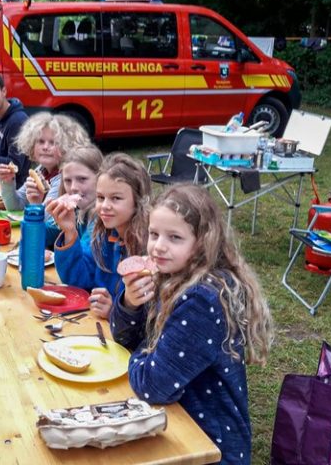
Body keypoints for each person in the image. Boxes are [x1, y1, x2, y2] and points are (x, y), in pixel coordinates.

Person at [111, 184, 273, 464]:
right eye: (154, 234)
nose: (159, 246)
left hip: (207, 446)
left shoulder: (202, 300)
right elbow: (122, 337)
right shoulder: (168, 274)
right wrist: (129, 304)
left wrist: (142, 354)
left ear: (202, 242)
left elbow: (154, 385)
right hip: (173, 421)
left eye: (174, 237)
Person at [52, 153, 151, 319]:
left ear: (138, 202)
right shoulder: (103, 236)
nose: (105, 206)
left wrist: (115, 311)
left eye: (116, 198)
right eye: (100, 197)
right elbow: (78, 280)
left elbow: (152, 317)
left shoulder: (149, 248)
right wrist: (70, 232)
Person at [0, 112, 90, 212]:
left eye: (53, 142)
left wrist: (35, 203)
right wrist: (7, 182)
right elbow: (15, 207)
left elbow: (49, 222)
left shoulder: (65, 177)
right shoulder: (41, 170)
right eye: (41, 141)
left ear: (67, 147)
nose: (45, 147)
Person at [44, 144, 103, 249]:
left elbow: (84, 260)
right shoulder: (75, 210)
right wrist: (35, 208)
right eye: (68, 180)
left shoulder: (102, 218)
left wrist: (70, 232)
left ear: (100, 179)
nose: (73, 187)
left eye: (82, 179)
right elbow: (40, 236)